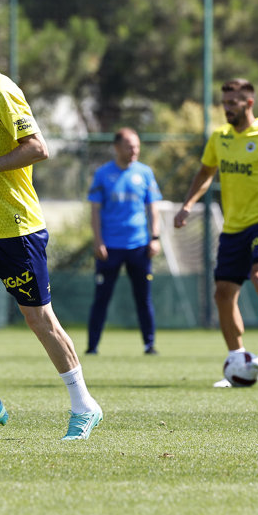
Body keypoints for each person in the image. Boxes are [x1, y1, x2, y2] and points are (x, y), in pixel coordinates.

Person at [0, 12, 102, 440]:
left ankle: (85, 406)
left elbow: (37, 148)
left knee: (40, 321)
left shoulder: (2, 92)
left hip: (16, 230)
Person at [173, 78, 258, 387]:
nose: (226, 108)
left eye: (233, 103)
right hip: (233, 229)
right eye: (224, 103)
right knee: (223, 294)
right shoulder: (220, 138)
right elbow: (205, 172)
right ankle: (238, 361)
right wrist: (188, 204)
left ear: (249, 103)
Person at [86, 127, 162, 355]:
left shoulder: (145, 173)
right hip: (109, 247)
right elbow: (95, 210)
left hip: (139, 246)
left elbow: (153, 207)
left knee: (143, 298)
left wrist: (155, 237)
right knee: (101, 298)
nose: (134, 150)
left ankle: (149, 344)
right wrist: (98, 241)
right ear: (116, 147)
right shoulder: (102, 174)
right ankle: (92, 347)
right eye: (130, 146)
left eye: (137, 146)